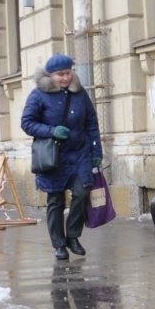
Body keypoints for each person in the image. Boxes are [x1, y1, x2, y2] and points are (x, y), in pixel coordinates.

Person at [21, 54, 102, 260]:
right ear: (51, 75)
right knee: (55, 200)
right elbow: (27, 122)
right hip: (54, 155)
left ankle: (73, 236)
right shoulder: (39, 95)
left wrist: (96, 152)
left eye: (68, 73)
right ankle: (59, 244)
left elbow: (92, 124)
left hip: (80, 153)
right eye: (60, 74)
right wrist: (51, 130)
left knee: (83, 193)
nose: (65, 78)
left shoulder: (80, 93)